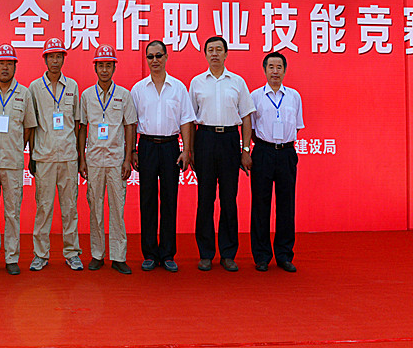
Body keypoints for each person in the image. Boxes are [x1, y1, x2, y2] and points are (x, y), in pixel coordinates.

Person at [189, 36, 255, 272]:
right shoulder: (197, 82)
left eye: (219, 49)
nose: (215, 53)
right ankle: (206, 253)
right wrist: (190, 149)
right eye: (211, 50)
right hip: (205, 139)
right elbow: (190, 119)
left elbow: (246, 117)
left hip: (229, 140)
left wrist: (245, 149)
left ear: (226, 54)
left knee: (229, 199)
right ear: (205, 54)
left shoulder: (237, 82)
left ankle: (228, 253)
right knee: (205, 199)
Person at [130, 40, 195, 272]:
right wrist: (133, 151)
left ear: (166, 57)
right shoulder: (138, 89)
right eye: (150, 56)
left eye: (159, 55)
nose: (155, 60)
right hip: (146, 146)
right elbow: (132, 123)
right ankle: (149, 253)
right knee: (147, 200)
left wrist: (186, 150)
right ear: (146, 59)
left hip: (170, 147)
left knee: (169, 199)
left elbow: (186, 120)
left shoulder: (178, 88)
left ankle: (167, 253)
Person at [0, 43, 37, 275]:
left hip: (13, 163)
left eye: (9, 63)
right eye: (1, 63)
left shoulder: (24, 94)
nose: (5, 67)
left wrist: (17, 147)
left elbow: (29, 127)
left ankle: (12, 257)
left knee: (12, 213)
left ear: (15, 66)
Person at [78, 44, 137, 274]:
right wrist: (82, 159)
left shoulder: (123, 95)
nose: (104, 70)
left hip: (115, 160)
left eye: (108, 65)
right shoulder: (86, 95)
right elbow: (83, 127)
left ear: (114, 68)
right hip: (93, 160)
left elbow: (130, 126)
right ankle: (97, 254)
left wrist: (127, 158)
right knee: (95, 208)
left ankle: (119, 256)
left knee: (117, 209)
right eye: (100, 65)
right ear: (95, 68)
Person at [28, 37, 83, 272]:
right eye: (51, 56)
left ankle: (72, 253)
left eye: (59, 56)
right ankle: (40, 254)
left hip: (69, 156)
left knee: (70, 207)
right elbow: (31, 125)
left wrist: (79, 156)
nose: (55, 61)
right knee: (44, 207)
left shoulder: (72, 87)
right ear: (45, 59)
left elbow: (78, 124)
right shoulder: (34, 88)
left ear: (63, 59)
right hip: (44, 156)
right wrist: (32, 156)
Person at [249, 52, 304, 273]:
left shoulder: (294, 96)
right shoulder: (255, 96)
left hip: (286, 153)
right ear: (264, 70)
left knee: (286, 205)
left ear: (284, 70)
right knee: (260, 205)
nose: (275, 71)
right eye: (271, 67)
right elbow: (251, 129)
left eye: (279, 67)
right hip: (263, 152)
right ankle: (262, 256)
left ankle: (284, 255)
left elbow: (297, 126)